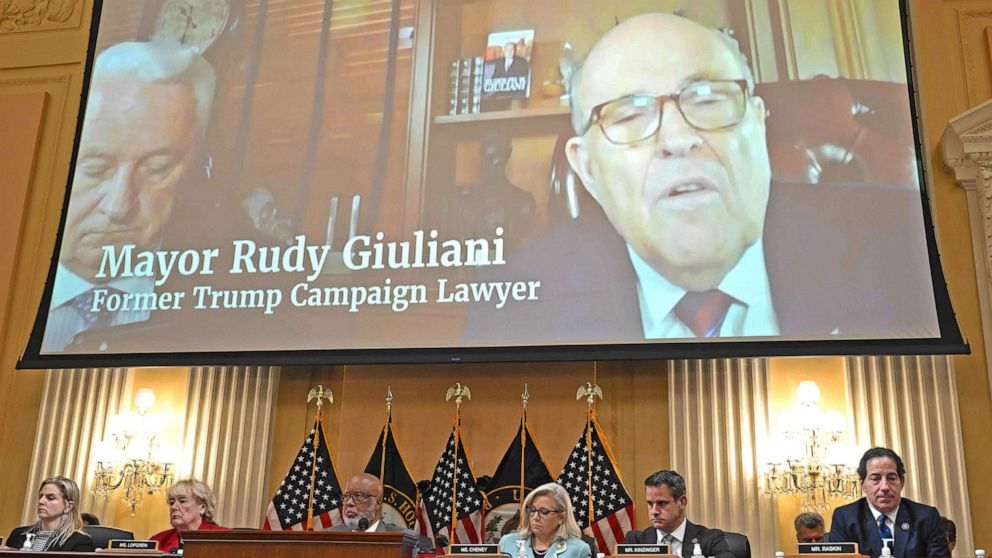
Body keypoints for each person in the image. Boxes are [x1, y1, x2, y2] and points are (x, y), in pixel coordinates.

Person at [462, 12, 937, 343]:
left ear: (758, 123)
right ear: (587, 168)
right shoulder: (513, 302)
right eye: (628, 114)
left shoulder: (906, 249)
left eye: (708, 99)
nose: (678, 137)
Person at [41, 39, 216, 352]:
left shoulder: (225, 305)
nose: (119, 206)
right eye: (95, 169)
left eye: (156, 169)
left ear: (194, 170)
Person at [827, 447, 948, 557]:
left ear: (902, 482)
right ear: (862, 484)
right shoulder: (845, 517)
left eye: (891, 478)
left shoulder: (926, 517)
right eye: (875, 479)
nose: (884, 487)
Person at [622, 470, 732, 558]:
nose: (654, 511)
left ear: (682, 503)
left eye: (662, 503)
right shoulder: (636, 541)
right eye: (650, 504)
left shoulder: (710, 540)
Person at [498, 482, 590, 558]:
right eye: (532, 510)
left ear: (561, 517)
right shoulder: (507, 542)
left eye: (544, 512)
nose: (535, 517)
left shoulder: (578, 550)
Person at [2, 476, 95, 552]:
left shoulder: (80, 542)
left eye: (50, 498)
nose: (41, 501)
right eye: (40, 496)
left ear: (68, 506)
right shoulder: (18, 534)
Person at [150, 479, 229, 553]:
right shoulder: (158, 540)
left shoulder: (225, 538)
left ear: (202, 508)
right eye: (171, 502)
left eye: (182, 501)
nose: (173, 507)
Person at [328, 473, 406, 532]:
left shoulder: (403, 540)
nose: (349, 503)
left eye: (359, 496)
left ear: (377, 504)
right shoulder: (327, 537)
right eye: (347, 496)